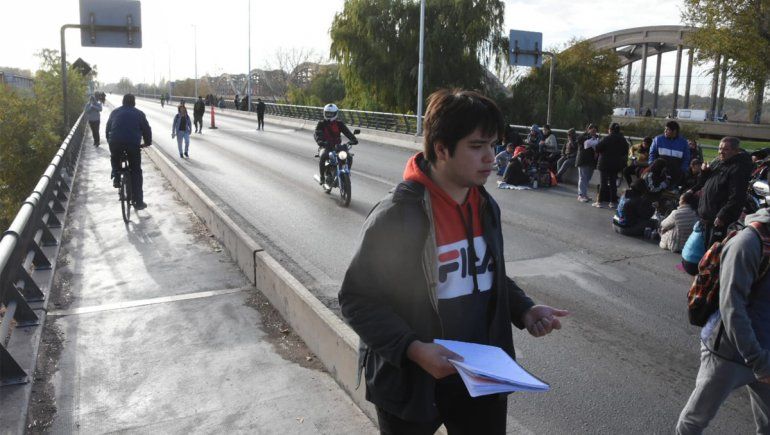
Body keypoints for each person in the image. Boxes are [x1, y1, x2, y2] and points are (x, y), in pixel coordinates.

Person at [338, 89, 568, 434]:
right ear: (442, 149)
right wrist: (414, 350)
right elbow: (356, 300)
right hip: (411, 382)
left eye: (493, 144)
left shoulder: (485, 205)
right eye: (477, 147)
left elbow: (489, 274)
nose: (491, 157)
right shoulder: (399, 215)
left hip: (481, 378)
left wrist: (524, 309)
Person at [675, 208, 770, 434]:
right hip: (728, 352)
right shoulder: (748, 244)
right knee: (695, 421)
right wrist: (758, 360)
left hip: (764, 351)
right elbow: (732, 308)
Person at [691, 136, 752, 247]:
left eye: (725, 149)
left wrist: (722, 215)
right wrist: (704, 172)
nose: (721, 152)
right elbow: (702, 183)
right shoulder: (718, 163)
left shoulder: (738, 169)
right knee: (706, 253)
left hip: (720, 220)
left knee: (714, 254)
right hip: (708, 217)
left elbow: (737, 196)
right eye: (720, 148)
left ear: (735, 151)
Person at [105, 94, 152, 210]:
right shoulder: (139, 113)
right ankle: (139, 202)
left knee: (114, 157)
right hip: (133, 144)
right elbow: (147, 129)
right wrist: (147, 142)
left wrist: (110, 141)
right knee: (136, 171)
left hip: (115, 142)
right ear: (134, 102)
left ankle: (116, 176)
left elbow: (107, 128)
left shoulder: (115, 112)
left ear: (123, 102)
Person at [314, 103, 358, 184]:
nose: (329, 115)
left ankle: (347, 173)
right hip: (326, 146)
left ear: (335, 113)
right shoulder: (321, 123)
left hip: (337, 147)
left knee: (349, 157)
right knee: (323, 156)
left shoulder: (339, 123)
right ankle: (322, 177)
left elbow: (347, 132)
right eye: (327, 113)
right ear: (324, 113)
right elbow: (317, 133)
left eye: (331, 113)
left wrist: (353, 139)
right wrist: (320, 142)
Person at [594, 122, 629, 209]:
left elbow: (597, 148)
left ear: (610, 130)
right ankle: (612, 202)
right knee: (613, 183)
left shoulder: (607, 138)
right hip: (616, 164)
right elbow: (625, 151)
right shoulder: (622, 140)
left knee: (603, 183)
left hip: (604, 164)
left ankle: (600, 202)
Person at [649, 121, 690, 187]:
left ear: (674, 131)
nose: (665, 131)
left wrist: (683, 169)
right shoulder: (658, 139)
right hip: (660, 171)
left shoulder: (683, 143)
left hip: (676, 172)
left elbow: (686, 158)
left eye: (667, 129)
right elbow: (652, 154)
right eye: (665, 129)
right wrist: (651, 165)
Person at [576, 123, 600, 203]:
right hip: (583, 160)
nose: (593, 131)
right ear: (588, 129)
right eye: (591, 129)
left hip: (591, 162)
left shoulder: (596, 138)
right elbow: (579, 140)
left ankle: (584, 194)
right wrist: (588, 135)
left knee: (587, 178)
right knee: (583, 178)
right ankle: (581, 195)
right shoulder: (583, 136)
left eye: (595, 130)